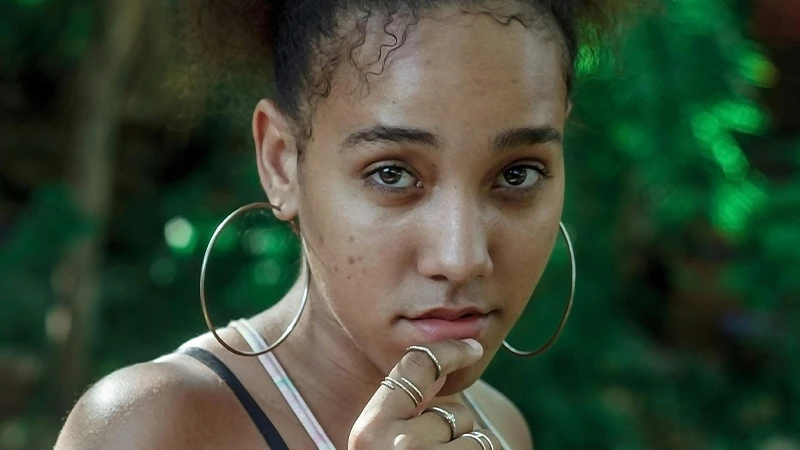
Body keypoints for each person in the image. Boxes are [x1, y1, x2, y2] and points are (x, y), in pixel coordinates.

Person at [55, 1, 620, 448]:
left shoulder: (496, 430)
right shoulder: (148, 429)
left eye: (518, 174)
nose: (461, 257)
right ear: (281, 161)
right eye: (393, 174)